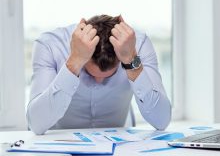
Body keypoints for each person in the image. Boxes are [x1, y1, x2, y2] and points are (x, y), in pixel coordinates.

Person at [27, 15, 171, 135]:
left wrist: (131, 60)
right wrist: (74, 62)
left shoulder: (137, 45)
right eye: (90, 72)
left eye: (109, 75)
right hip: (59, 145)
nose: (98, 81)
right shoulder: (50, 45)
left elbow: (161, 120)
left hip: (118, 147)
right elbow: (36, 123)